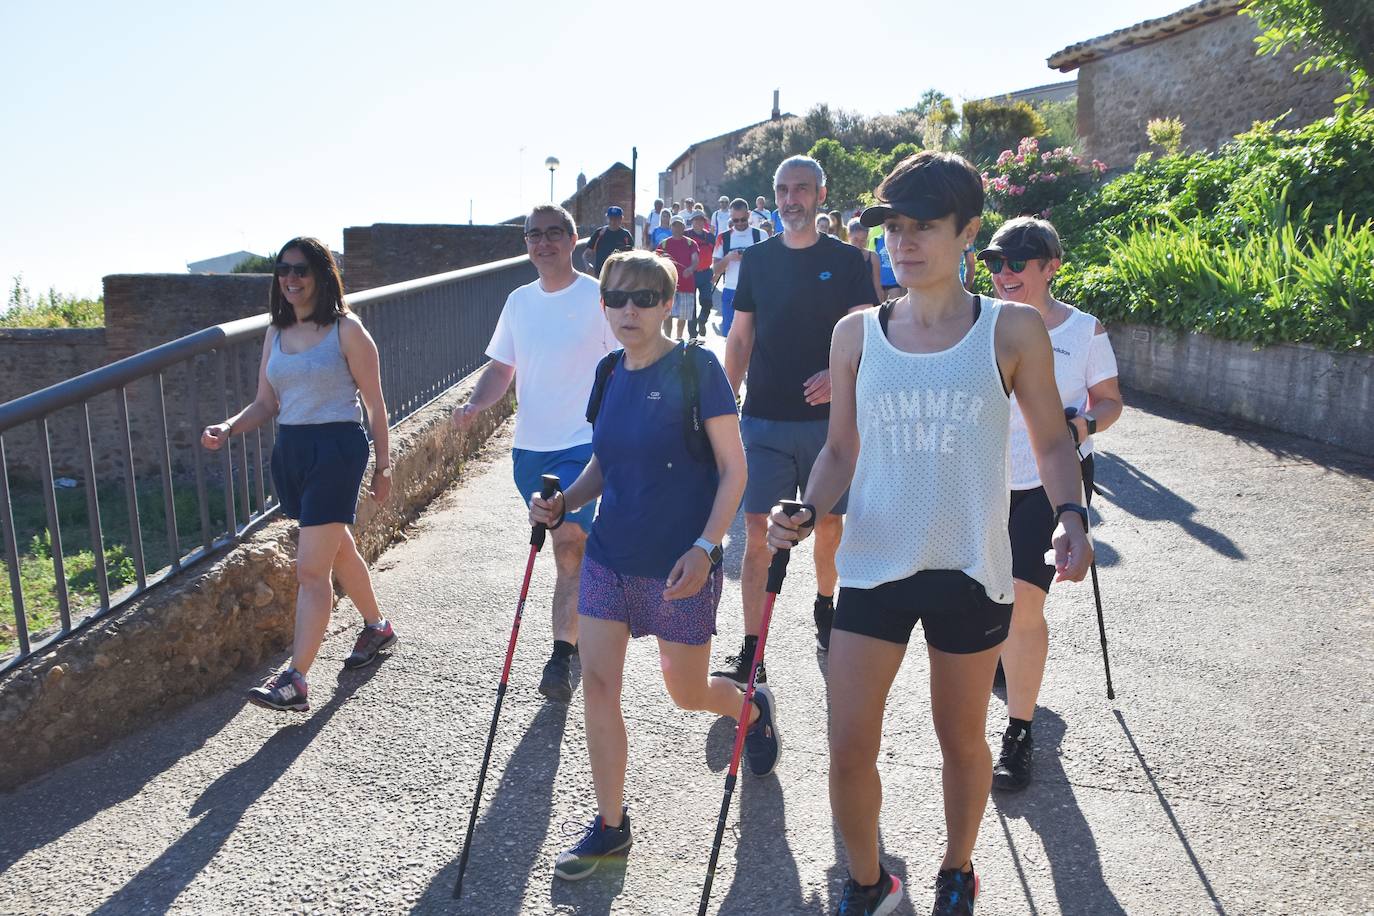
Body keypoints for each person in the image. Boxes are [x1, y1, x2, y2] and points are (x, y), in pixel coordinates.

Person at [767, 151, 1093, 916]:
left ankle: (957, 868)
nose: (903, 243)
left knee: (962, 743)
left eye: (924, 228)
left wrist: (1070, 514)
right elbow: (841, 450)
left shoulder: (1010, 329)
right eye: (894, 230)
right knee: (848, 744)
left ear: (968, 231)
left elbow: (1050, 441)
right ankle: (866, 881)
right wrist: (809, 508)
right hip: (875, 562)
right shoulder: (858, 333)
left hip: (971, 567)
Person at [533, 250, 778, 881]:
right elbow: (604, 464)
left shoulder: (698, 370)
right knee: (598, 685)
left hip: (679, 567)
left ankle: (749, 709)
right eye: (617, 298)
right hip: (610, 558)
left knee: (686, 692)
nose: (630, 309)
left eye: (645, 297)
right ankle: (611, 827)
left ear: (670, 302)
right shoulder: (609, 372)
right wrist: (566, 502)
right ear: (604, 305)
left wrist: (705, 548)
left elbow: (735, 470)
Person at [202, 237, 395, 712]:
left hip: (336, 450)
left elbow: (375, 403)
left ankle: (296, 679)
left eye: (301, 270)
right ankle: (376, 628)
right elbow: (267, 402)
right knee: (337, 546)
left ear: (322, 275)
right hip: (292, 448)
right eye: (283, 270)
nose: (291, 278)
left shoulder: (347, 330)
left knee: (312, 570)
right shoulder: (277, 331)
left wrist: (385, 467)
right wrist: (229, 426)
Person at [716, 154, 878, 688]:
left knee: (828, 526)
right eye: (784, 189)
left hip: (831, 426)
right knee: (757, 530)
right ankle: (751, 648)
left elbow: (869, 336)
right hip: (762, 418)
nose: (792, 199)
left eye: (802, 189)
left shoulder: (850, 261)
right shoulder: (757, 261)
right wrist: (719, 405)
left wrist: (839, 375)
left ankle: (825, 601)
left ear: (821, 195)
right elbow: (740, 338)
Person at [979, 217, 1122, 793]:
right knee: (991, 596)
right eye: (996, 262)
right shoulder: (980, 324)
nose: (1005, 273)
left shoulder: (1084, 330)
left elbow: (1110, 401)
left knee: (1024, 606)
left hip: (1049, 479)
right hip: (984, 478)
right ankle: (1001, 661)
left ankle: (1019, 733)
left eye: (1018, 262)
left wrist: (1084, 422)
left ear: (1051, 266)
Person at [452, 204, 614, 702]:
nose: (542, 243)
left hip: (583, 445)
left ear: (572, 239)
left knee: (567, 542)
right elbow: (502, 369)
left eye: (552, 233)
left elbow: (624, 363)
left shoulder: (599, 298)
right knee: (568, 548)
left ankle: (561, 657)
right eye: (533, 235)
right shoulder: (518, 301)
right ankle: (583, 613)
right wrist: (475, 403)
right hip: (530, 450)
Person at [710, 199, 765, 339]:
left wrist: (749, 259)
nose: (739, 223)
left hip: (755, 292)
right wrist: (728, 258)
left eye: (743, 219)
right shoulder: (723, 237)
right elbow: (715, 270)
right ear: (731, 217)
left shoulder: (760, 235)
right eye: (735, 220)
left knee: (755, 337)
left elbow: (769, 267)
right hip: (731, 290)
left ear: (749, 215)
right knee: (731, 338)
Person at [655, 216, 700, 341]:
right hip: (669, 285)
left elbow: (696, 260)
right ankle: (668, 339)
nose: (677, 228)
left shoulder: (691, 243)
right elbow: (656, 262)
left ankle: (679, 339)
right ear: (671, 227)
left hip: (687, 285)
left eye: (679, 225)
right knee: (667, 315)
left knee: (683, 316)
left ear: (684, 227)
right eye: (674, 225)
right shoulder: (664, 244)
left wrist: (690, 269)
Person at [684, 212, 717, 339]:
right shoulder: (686, 235)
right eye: (695, 220)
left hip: (705, 273)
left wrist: (717, 272)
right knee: (690, 307)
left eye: (700, 220)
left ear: (704, 222)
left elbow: (717, 255)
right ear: (692, 221)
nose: (698, 222)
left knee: (707, 302)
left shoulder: (710, 237)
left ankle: (702, 321)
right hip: (690, 274)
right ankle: (693, 336)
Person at [586, 206, 635, 276]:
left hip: (619, 275)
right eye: (610, 218)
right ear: (607, 218)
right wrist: (588, 266)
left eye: (616, 219)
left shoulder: (626, 235)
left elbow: (632, 255)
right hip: (601, 274)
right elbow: (585, 255)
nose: (613, 221)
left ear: (621, 219)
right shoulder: (599, 233)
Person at [846, 217, 884, 304]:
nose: (859, 244)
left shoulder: (873, 256)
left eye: (863, 240)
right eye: (855, 240)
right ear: (848, 236)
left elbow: (877, 286)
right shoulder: (841, 256)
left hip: (869, 302)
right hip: (849, 302)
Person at [870, 227, 903, 300]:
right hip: (880, 281)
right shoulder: (876, 240)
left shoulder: (896, 239)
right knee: (881, 307)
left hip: (894, 281)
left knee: (895, 304)